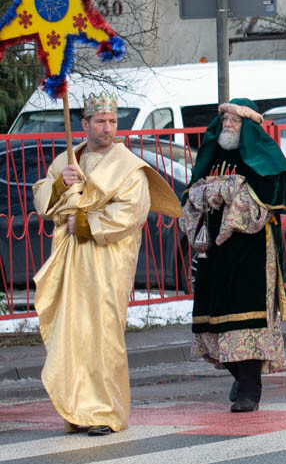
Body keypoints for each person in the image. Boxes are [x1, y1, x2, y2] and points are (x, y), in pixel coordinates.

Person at [32, 92, 181, 435]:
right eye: (100, 121)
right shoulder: (68, 160)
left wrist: (85, 222)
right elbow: (42, 198)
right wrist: (60, 184)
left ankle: (105, 412)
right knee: (72, 333)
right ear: (85, 124)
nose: (108, 128)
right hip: (70, 260)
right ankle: (77, 409)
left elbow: (132, 211)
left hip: (107, 260)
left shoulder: (128, 166)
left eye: (112, 121)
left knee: (103, 333)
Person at [184, 99, 286, 412]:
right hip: (213, 253)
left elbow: (270, 193)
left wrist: (230, 193)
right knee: (213, 318)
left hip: (250, 250)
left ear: (247, 125)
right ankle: (239, 375)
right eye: (225, 119)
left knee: (246, 317)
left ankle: (250, 389)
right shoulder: (212, 155)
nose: (228, 125)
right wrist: (209, 192)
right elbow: (192, 193)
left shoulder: (262, 157)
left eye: (235, 121)